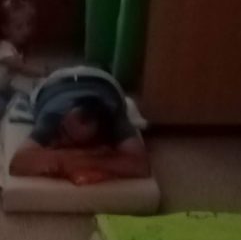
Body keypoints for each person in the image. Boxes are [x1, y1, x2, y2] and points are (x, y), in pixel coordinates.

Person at [8, 66, 149, 181]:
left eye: (68, 136)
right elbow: (18, 163)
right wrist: (69, 159)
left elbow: (140, 166)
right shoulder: (53, 117)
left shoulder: (114, 117)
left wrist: (85, 160)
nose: (59, 137)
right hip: (54, 82)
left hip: (104, 80)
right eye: (62, 128)